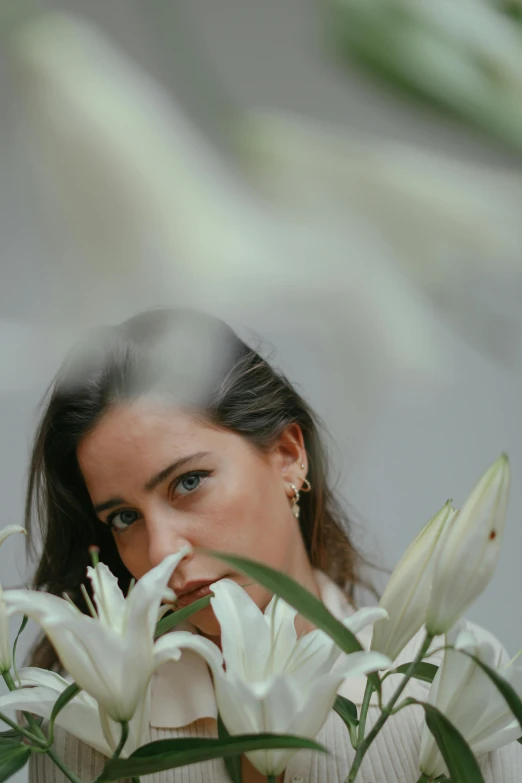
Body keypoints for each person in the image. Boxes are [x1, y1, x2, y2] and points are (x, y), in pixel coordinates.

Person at [24, 308, 522, 783]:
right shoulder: (87, 723)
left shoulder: (452, 686)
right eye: (124, 517)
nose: (160, 554)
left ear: (287, 456)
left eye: (189, 482)